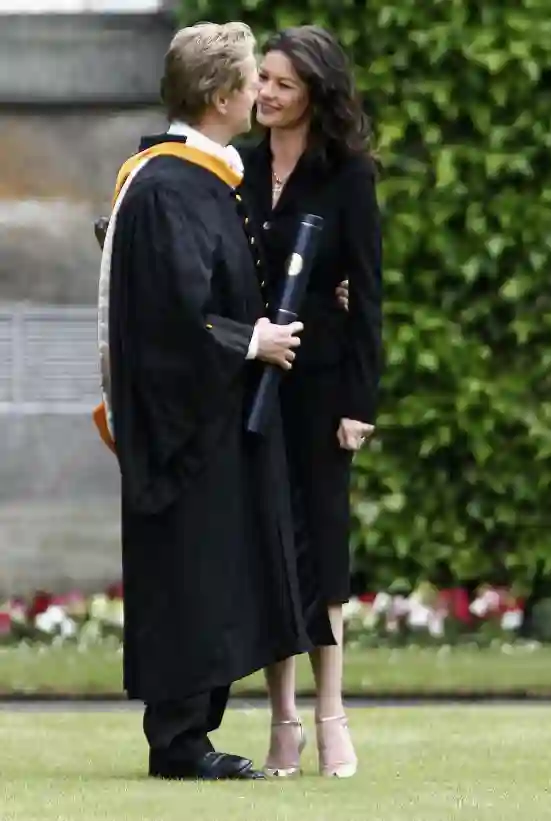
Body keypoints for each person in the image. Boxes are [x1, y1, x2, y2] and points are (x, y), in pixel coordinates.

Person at [97, 21, 334, 782]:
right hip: (188, 426)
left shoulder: (198, 178)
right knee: (193, 571)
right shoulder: (169, 185)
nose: (260, 94)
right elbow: (174, 316)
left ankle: (191, 734)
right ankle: (180, 740)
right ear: (223, 95)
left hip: (214, 420)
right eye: (250, 82)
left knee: (214, 569)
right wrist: (250, 341)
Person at [238, 25, 383, 778]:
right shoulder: (238, 165)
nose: (263, 93)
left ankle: (332, 717)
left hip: (324, 391)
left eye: (281, 84)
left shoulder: (348, 174)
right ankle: (282, 722)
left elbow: (368, 299)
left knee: (323, 552)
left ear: (314, 95)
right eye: (261, 78)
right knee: (270, 549)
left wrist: (360, 403)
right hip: (251, 385)